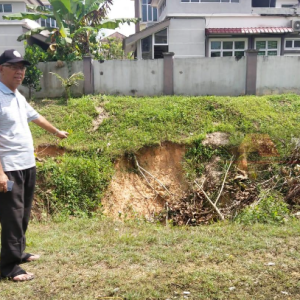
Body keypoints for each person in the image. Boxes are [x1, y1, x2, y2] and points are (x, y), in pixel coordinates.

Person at [0, 49, 68, 282]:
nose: (20, 71)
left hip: (27, 164)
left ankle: (17, 252)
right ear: (1, 69)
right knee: (12, 216)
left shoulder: (18, 96)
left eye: (22, 67)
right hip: (8, 167)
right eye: (14, 67)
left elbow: (35, 117)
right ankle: (8, 267)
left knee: (24, 213)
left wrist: (57, 132)